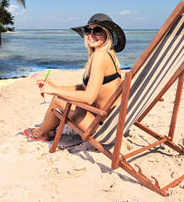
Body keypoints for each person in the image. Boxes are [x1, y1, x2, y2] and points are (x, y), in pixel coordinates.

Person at [24, 13, 126, 141]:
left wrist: (54, 91)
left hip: (103, 127)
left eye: (98, 30)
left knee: (57, 100)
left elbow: (89, 97)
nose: (91, 35)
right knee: (60, 95)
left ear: (107, 34)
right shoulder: (109, 54)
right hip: (114, 122)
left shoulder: (100, 56)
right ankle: (46, 131)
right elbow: (85, 87)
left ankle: (41, 133)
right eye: (88, 30)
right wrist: (55, 87)